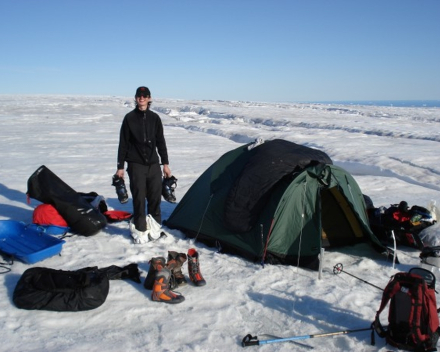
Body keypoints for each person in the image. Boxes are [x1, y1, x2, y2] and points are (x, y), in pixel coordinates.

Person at [116, 86, 171, 243]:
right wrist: (120, 166)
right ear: (135, 98)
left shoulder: (155, 118)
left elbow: (161, 142)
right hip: (136, 164)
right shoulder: (129, 118)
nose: (142, 98)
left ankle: (154, 231)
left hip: (153, 164)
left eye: (145, 96)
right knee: (139, 198)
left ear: (149, 98)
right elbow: (123, 144)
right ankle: (140, 231)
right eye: (139, 96)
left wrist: (165, 163)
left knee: (155, 197)